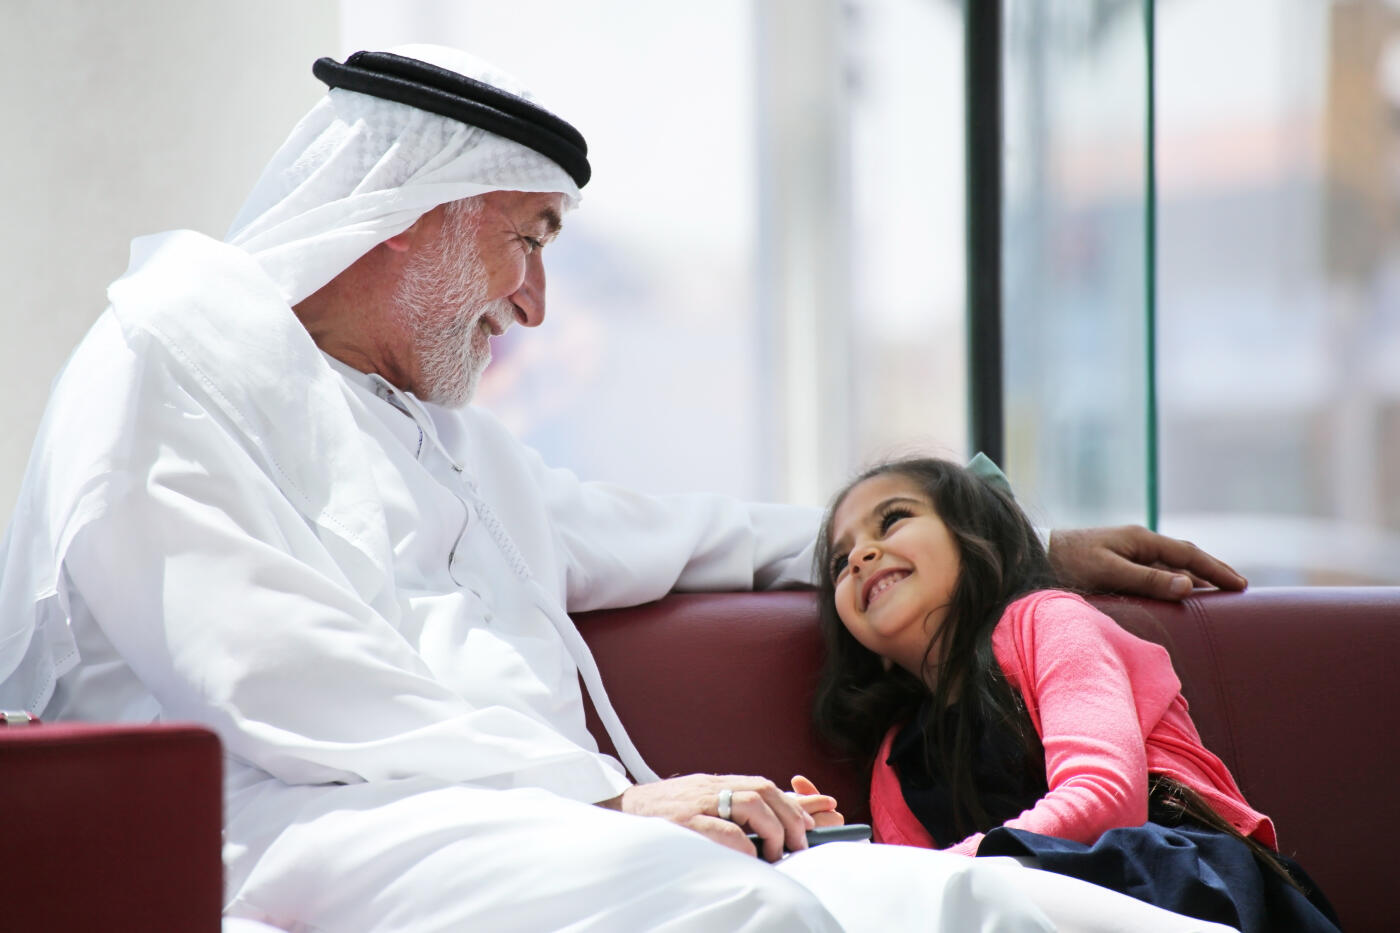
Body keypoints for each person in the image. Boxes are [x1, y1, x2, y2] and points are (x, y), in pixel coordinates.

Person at [0, 45, 1247, 931]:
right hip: (314, 832)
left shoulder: (460, 451)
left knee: (986, 903)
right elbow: (271, 667)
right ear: (403, 215)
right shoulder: (175, 353)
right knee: (725, 906)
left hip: (540, 828)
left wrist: (1017, 549)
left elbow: (695, 534)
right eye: (528, 239)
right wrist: (611, 796)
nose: (534, 304)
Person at [811, 456, 1341, 932]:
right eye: (841, 561)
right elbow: (911, 899)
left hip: (1165, 877)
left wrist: (951, 869)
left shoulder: (1046, 620)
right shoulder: (896, 755)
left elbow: (1104, 796)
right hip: (1021, 904)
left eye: (893, 519)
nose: (861, 555)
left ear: (983, 544)